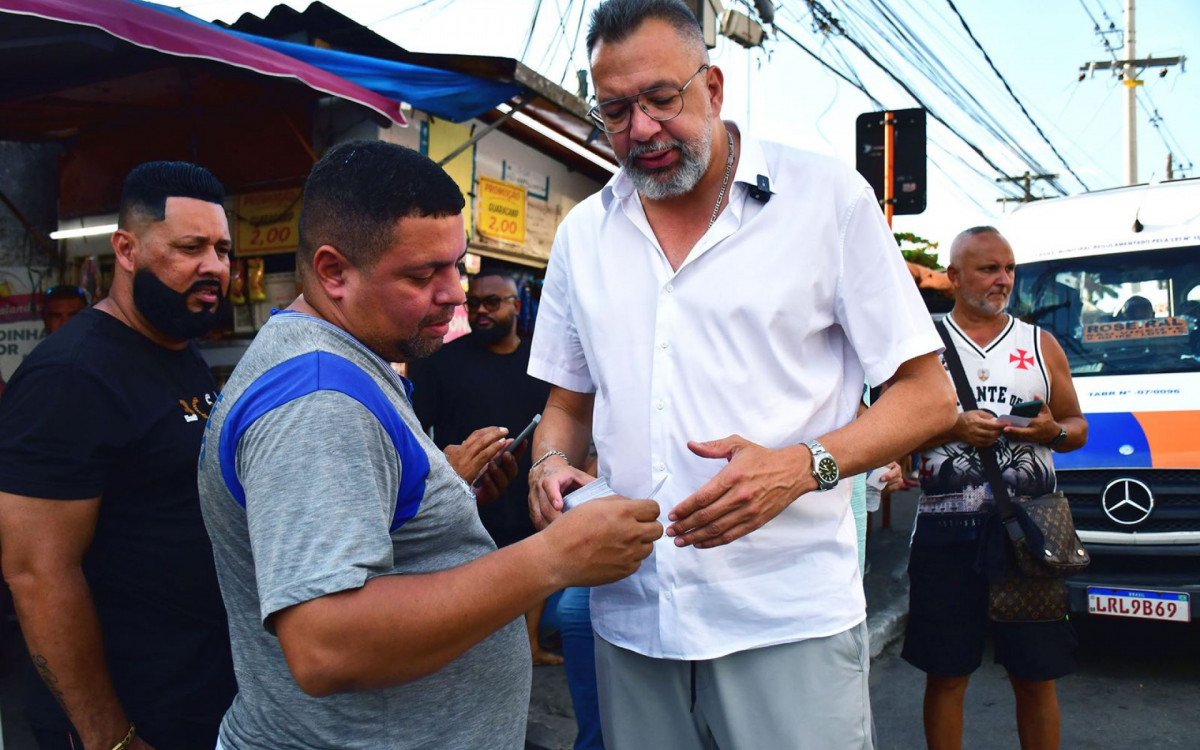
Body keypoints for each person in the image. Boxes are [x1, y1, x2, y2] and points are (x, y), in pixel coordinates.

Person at [526, 2, 958, 747]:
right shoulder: (581, 235)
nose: (642, 130)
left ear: (715, 86)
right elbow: (566, 405)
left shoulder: (827, 199)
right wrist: (551, 462)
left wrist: (801, 467)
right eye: (617, 110)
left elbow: (929, 396)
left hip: (784, 619)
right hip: (630, 618)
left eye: (663, 99)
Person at [197, 140, 662, 749]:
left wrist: (431, 495)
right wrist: (554, 557)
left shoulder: (348, 359)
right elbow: (325, 645)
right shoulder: (317, 401)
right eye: (422, 275)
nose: (455, 295)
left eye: (456, 266)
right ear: (334, 272)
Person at [0, 161, 237, 750]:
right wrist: (109, 735)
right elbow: (37, 572)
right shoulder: (72, 376)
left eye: (223, 249)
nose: (213, 266)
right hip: (127, 721)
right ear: (125, 250)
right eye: (190, 247)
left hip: (199, 699)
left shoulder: (175, 348)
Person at [901, 226, 1088, 750]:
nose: (1003, 279)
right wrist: (951, 428)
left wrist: (1055, 432)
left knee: (1035, 675)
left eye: (1008, 268)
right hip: (946, 532)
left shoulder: (1040, 343)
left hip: (1029, 533)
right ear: (954, 277)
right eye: (988, 269)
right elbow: (892, 427)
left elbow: (1077, 426)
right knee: (946, 674)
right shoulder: (923, 347)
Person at [408, 268, 562, 665]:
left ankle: (529, 645)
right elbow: (418, 430)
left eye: (491, 303)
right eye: (473, 302)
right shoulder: (441, 361)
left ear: (516, 305)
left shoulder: (541, 361)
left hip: (528, 484)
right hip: (468, 492)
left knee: (535, 563)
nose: (480, 310)